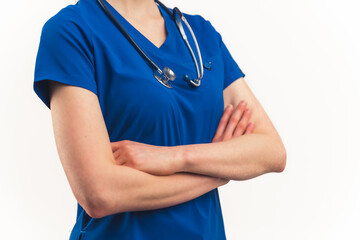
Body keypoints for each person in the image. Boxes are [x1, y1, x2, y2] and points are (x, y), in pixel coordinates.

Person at [33, 0, 287, 239]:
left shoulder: (200, 34)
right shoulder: (72, 32)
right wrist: (217, 173)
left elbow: (271, 151)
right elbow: (99, 194)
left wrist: (173, 158)